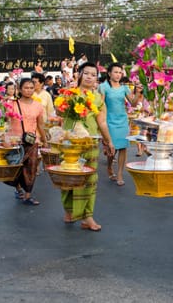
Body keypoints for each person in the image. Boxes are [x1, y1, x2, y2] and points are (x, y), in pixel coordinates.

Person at [61, 62, 114, 231]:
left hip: (89, 141)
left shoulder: (97, 98)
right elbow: (58, 113)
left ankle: (87, 216)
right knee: (68, 176)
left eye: (93, 74)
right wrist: (65, 100)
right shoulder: (69, 94)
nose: (90, 77)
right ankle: (69, 210)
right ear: (79, 75)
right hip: (69, 142)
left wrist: (109, 141)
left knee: (89, 179)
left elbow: (102, 122)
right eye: (87, 73)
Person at [99, 63, 142, 186]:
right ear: (109, 73)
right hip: (109, 121)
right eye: (115, 72)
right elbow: (100, 105)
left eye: (120, 72)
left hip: (122, 121)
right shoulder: (103, 87)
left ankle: (119, 174)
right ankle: (109, 166)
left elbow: (133, 103)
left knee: (123, 148)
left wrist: (138, 92)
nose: (118, 74)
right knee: (112, 149)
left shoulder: (124, 88)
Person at [6, 78, 47, 205]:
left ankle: (28, 195)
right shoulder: (12, 104)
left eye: (31, 88)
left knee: (32, 168)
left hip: (32, 141)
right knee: (15, 168)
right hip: (15, 141)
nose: (29, 90)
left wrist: (45, 141)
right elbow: (5, 122)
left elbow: (40, 125)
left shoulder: (38, 105)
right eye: (26, 88)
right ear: (20, 89)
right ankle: (18, 189)